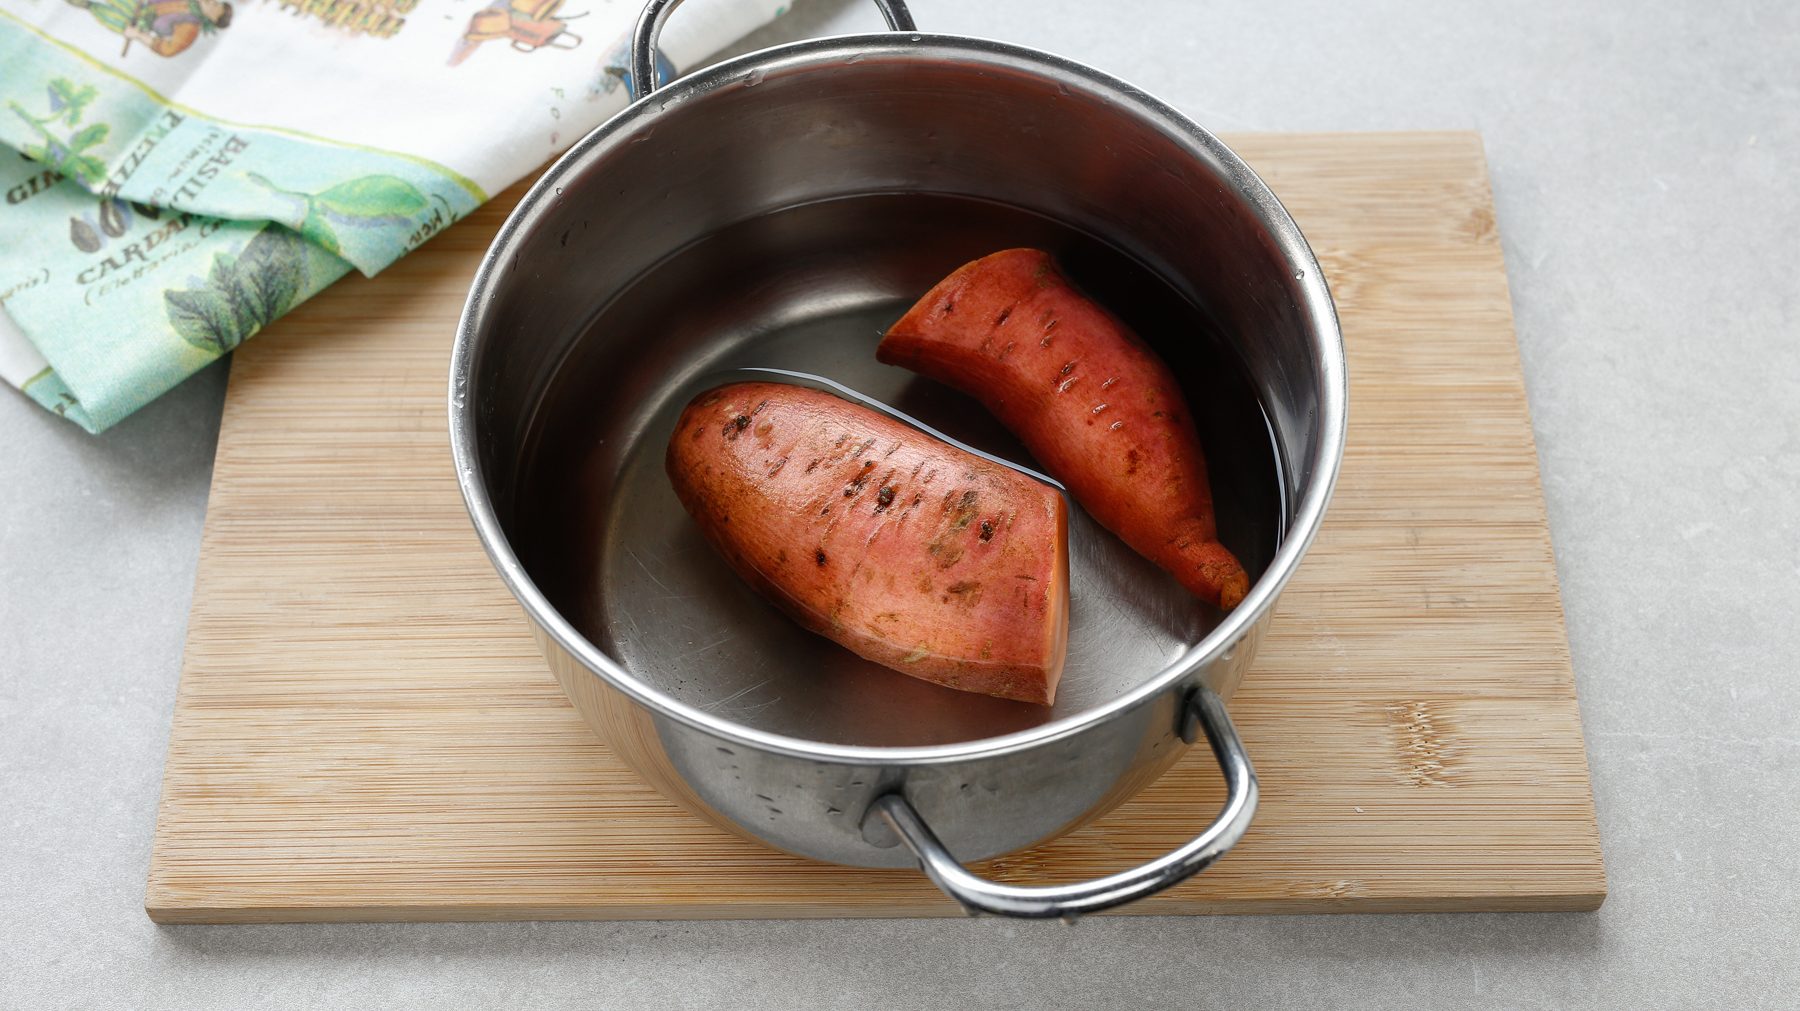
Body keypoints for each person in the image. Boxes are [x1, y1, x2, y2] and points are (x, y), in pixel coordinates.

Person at [66, 0, 233, 58]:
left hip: (137, 23)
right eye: (215, 2)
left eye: (214, 7)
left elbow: (167, 49)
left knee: (101, 12)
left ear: (212, 19)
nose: (212, 2)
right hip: (139, 2)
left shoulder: (190, 27)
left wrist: (138, 35)